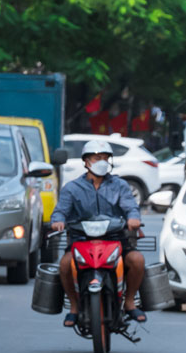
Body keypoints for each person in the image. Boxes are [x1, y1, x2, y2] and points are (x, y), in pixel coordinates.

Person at [50, 138, 146, 326]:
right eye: (96, 158)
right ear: (86, 162)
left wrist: (133, 219)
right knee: (65, 264)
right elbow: (60, 210)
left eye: (104, 157)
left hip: (116, 239)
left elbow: (130, 207)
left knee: (137, 261)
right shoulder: (72, 188)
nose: (100, 161)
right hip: (81, 240)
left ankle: (129, 301)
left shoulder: (120, 185)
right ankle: (74, 306)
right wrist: (58, 221)